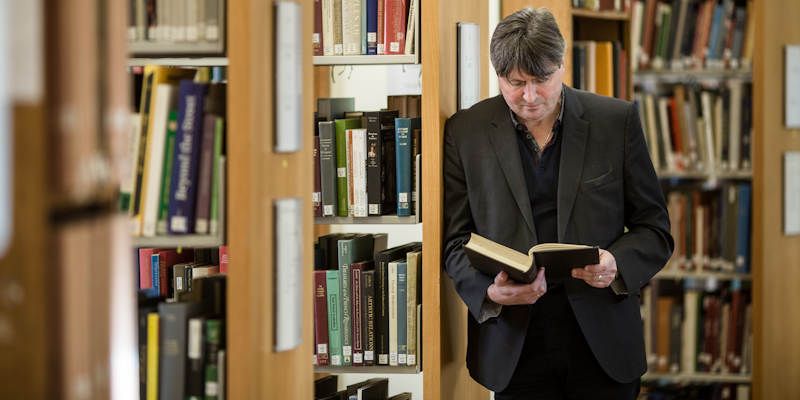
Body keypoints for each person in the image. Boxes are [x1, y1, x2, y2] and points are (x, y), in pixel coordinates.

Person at [442, 7, 674, 400]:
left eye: (541, 80)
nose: (529, 97)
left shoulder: (616, 122)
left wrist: (616, 264)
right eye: (515, 83)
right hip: (514, 347)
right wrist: (489, 293)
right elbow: (454, 242)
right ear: (497, 74)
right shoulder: (466, 132)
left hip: (603, 344)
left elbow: (655, 230)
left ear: (562, 66)